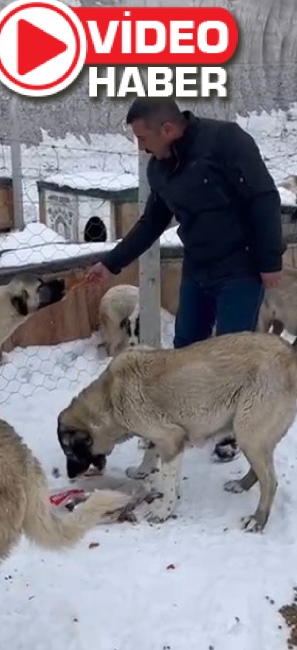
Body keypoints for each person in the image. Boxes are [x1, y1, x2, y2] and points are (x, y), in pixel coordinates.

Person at [83, 96, 284, 463]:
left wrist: (270, 259)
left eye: (143, 139)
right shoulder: (159, 169)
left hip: (240, 266)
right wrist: (112, 263)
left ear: (169, 129)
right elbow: (152, 222)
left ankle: (233, 431)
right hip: (198, 268)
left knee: (232, 355)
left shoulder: (226, 141)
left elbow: (264, 198)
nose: (140, 148)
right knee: (185, 348)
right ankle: (184, 422)